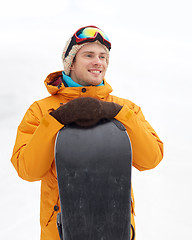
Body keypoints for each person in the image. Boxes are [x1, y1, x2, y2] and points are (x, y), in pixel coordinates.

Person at [11, 26, 163, 240]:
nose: (98, 62)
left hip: (116, 230)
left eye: (103, 56)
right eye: (89, 55)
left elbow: (151, 159)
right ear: (70, 62)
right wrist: (56, 120)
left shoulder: (126, 108)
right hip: (60, 233)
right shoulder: (41, 111)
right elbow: (28, 170)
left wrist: (121, 115)